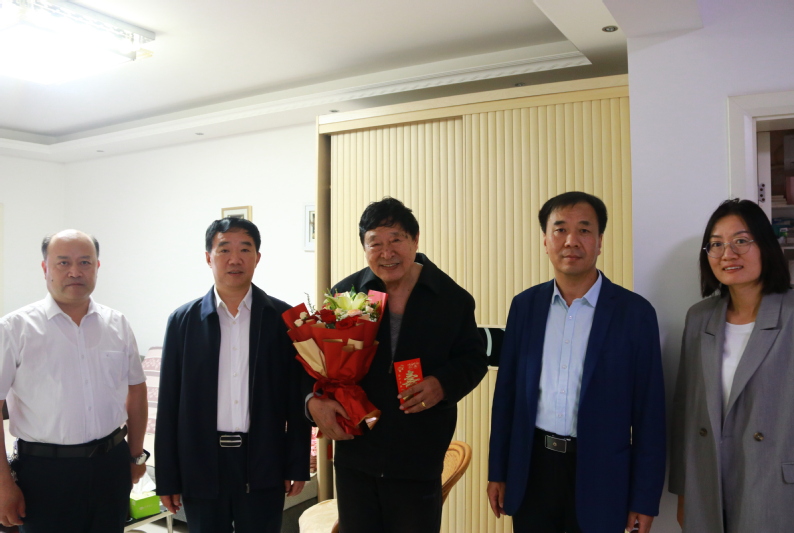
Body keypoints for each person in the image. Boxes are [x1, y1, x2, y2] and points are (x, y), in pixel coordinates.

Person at [487, 191, 666, 533]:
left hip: (602, 476)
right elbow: (506, 397)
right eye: (560, 230)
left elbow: (650, 414)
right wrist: (498, 471)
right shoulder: (525, 307)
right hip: (533, 470)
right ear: (545, 241)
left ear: (599, 242)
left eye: (584, 230)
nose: (571, 241)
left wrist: (644, 498)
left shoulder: (635, 314)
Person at [308, 197, 487, 533]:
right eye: (375, 243)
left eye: (396, 240)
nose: (386, 253)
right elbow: (317, 361)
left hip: (417, 458)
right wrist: (312, 401)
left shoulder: (451, 298)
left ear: (415, 240)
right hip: (356, 455)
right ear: (364, 247)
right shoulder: (347, 294)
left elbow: (473, 359)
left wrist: (442, 384)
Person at [155, 217, 309, 533]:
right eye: (224, 249)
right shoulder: (183, 321)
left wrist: (297, 463)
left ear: (258, 257)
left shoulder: (284, 319)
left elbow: (297, 399)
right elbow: (168, 404)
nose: (235, 259)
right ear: (208, 257)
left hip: (264, 460)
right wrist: (167, 477)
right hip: (200, 463)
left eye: (245, 249)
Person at [0, 230, 148, 532]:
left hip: (111, 465)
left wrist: (136, 455)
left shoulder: (117, 323)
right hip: (44, 473)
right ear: (45, 267)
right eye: (63, 262)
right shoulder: (14, 329)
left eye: (85, 262)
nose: (75, 272)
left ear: (97, 266)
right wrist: (3, 484)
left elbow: (136, 390)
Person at [669, 199, 794, 532]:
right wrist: (684, 490)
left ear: (765, 246)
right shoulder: (699, 318)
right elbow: (687, 411)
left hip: (777, 487)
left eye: (741, 240)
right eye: (716, 244)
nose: (728, 253)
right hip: (708, 486)